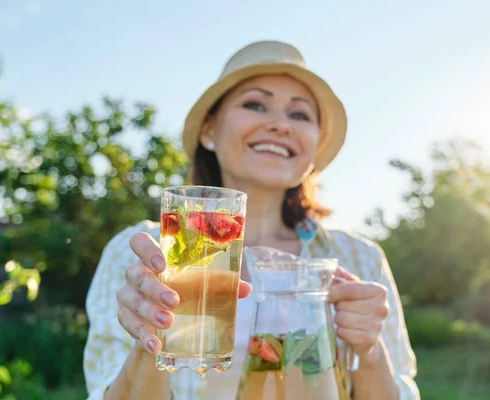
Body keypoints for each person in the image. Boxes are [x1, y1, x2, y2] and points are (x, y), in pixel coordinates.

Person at [83, 40, 419, 400]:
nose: (280, 125)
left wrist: (368, 352)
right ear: (210, 130)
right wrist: (151, 337)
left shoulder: (360, 259)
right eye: (255, 104)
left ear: (314, 144)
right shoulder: (144, 254)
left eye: (300, 114)